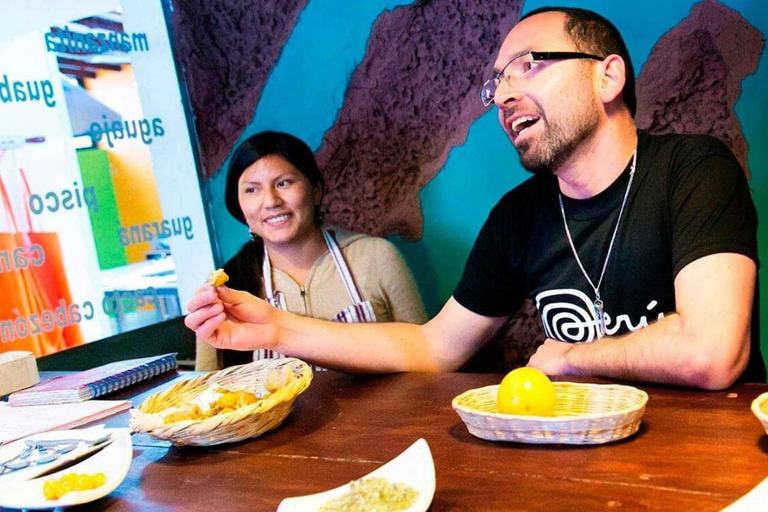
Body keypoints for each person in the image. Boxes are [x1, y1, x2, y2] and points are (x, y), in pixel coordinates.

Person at [187, 7, 765, 389]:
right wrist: (275, 329)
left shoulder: (693, 167)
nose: (503, 96)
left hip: (708, 456)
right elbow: (433, 347)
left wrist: (568, 357)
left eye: (529, 66)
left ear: (607, 77)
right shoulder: (518, 216)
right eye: (496, 83)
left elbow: (713, 352)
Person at [195, 131, 427, 370]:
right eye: (252, 190)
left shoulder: (377, 258)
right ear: (240, 207)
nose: (271, 201)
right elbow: (204, 394)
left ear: (315, 190)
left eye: (283, 183)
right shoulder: (226, 290)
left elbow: (426, 358)